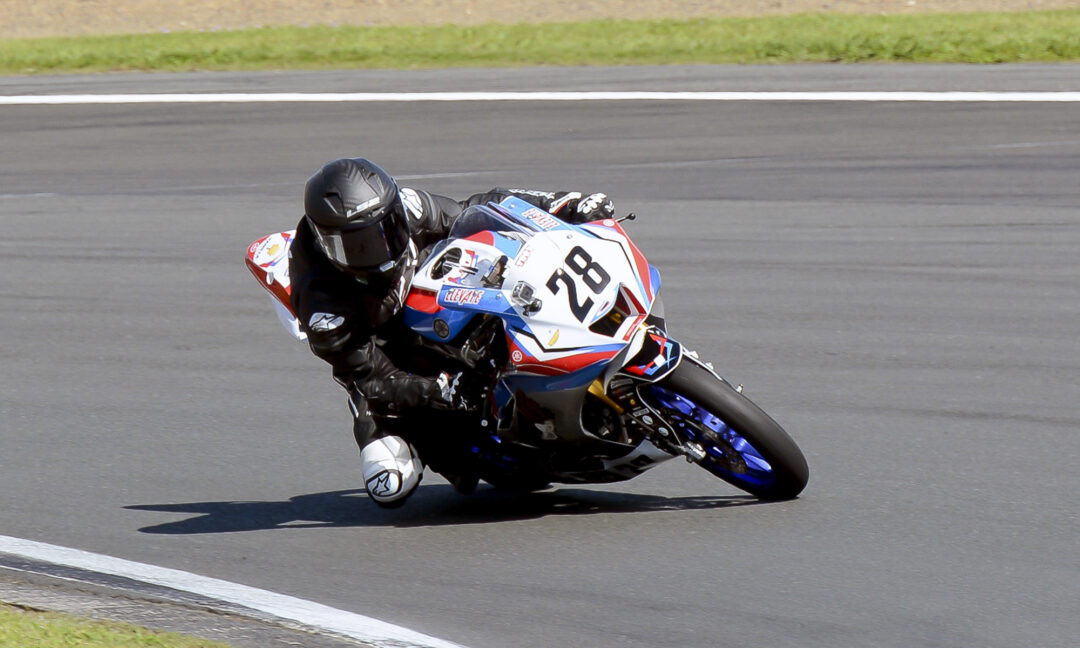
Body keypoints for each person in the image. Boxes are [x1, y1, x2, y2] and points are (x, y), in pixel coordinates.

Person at [288, 157, 616, 507]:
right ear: (326, 244)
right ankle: (396, 436)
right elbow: (371, 377)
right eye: (359, 246)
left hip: (432, 281)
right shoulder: (322, 304)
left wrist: (559, 204)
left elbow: (479, 209)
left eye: (387, 229)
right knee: (392, 480)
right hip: (380, 338)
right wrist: (436, 390)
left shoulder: (407, 206)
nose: (381, 249)